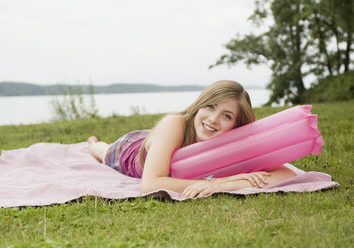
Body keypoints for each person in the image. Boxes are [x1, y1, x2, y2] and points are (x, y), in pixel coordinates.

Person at [88, 80, 296, 199]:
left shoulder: (237, 141)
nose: (213, 120)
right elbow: (150, 184)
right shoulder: (175, 123)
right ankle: (94, 143)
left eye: (227, 116)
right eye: (210, 107)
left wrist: (227, 186)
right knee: (101, 151)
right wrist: (220, 182)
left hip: (161, 141)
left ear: (236, 124)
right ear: (200, 105)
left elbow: (286, 173)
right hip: (129, 149)